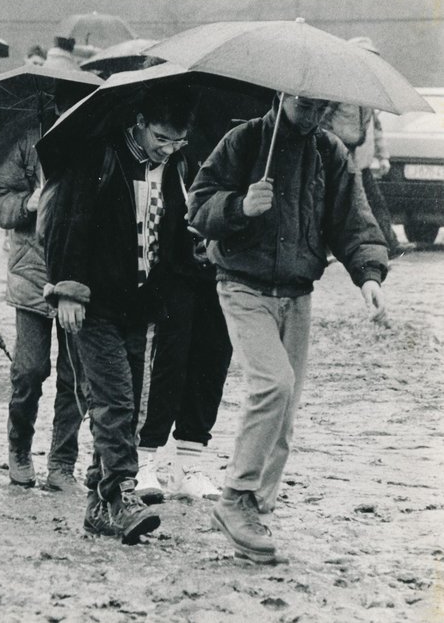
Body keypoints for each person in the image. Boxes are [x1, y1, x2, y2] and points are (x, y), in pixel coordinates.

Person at [188, 93, 389, 563]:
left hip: (297, 294)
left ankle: (255, 510)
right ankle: (235, 498)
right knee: (273, 385)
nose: (314, 113)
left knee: (287, 407)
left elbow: (354, 222)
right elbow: (198, 207)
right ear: (282, 94)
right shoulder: (244, 140)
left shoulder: (331, 152)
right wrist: (239, 206)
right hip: (243, 286)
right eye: (306, 104)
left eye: (324, 107)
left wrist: (370, 276)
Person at [43, 84, 199, 543]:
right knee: (114, 400)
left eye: (178, 141)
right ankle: (122, 493)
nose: (168, 149)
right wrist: (69, 290)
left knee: (127, 402)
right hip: (94, 303)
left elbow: (169, 238)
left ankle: (98, 506)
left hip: (138, 305)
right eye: (161, 139)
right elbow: (70, 222)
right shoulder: (100, 155)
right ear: (140, 123)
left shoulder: (174, 168)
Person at [0, 98, 88, 491]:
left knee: (76, 376)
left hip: (77, 278)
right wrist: (26, 203)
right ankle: (19, 449)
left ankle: (62, 463)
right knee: (29, 370)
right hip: (31, 278)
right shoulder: (27, 145)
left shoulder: (94, 146)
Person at [134, 227, 233, 503]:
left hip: (223, 265)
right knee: (167, 359)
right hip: (170, 261)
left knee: (213, 361)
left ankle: (187, 465)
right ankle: (142, 459)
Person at [320, 36, 402, 254]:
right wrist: (329, 144)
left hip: (359, 157)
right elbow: (323, 118)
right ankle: (330, 247)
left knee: (370, 201)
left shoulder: (367, 88)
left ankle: (389, 245)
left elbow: (375, 125)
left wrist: (383, 155)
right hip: (339, 152)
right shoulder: (339, 85)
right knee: (341, 200)